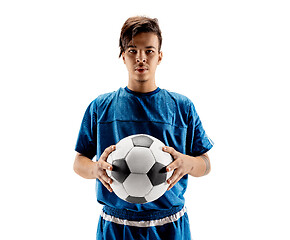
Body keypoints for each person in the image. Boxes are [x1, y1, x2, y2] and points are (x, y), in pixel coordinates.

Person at [73, 16, 214, 240]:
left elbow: (205, 164)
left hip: (170, 225)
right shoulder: (101, 107)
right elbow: (79, 161)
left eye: (149, 51)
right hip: (117, 226)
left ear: (160, 56)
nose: (141, 58)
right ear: (122, 56)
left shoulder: (181, 107)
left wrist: (189, 163)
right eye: (132, 50)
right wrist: (94, 169)